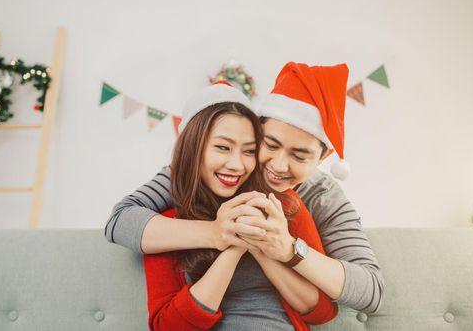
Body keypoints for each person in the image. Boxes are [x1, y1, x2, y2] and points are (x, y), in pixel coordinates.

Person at [106, 62, 384, 314]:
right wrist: (217, 233)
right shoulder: (208, 173)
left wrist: (288, 249)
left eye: (299, 156)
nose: (278, 165)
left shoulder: (318, 195)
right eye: (269, 145)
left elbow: (370, 290)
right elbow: (120, 220)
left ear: (322, 158)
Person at [143, 82, 337, 330]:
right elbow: (166, 327)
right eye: (223, 147)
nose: (237, 165)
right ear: (192, 149)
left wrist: (261, 244)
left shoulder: (283, 207)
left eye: (249, 151)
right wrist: (233, 246)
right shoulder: (165, 228)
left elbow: (321, 312)